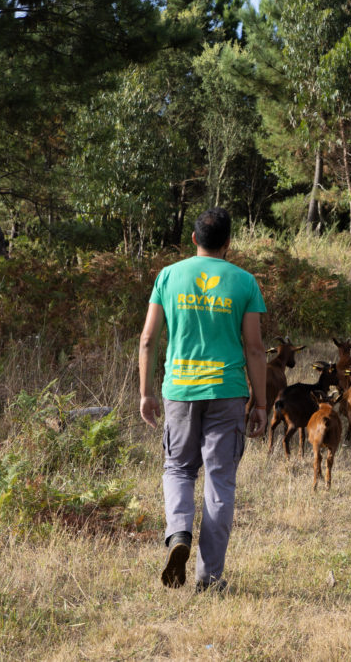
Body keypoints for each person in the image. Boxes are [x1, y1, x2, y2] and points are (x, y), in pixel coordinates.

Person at [138, 207, 268, 592]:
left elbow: (147, 340)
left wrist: (146, 392)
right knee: (219, 481)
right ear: (229, 243)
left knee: (178, 468)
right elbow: (255, 349)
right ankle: (208, 579)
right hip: (227, 392)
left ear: (194, 238)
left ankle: (179, 532)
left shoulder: (168, 276)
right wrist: (261, 403)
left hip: (179, 390)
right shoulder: (244, 282)